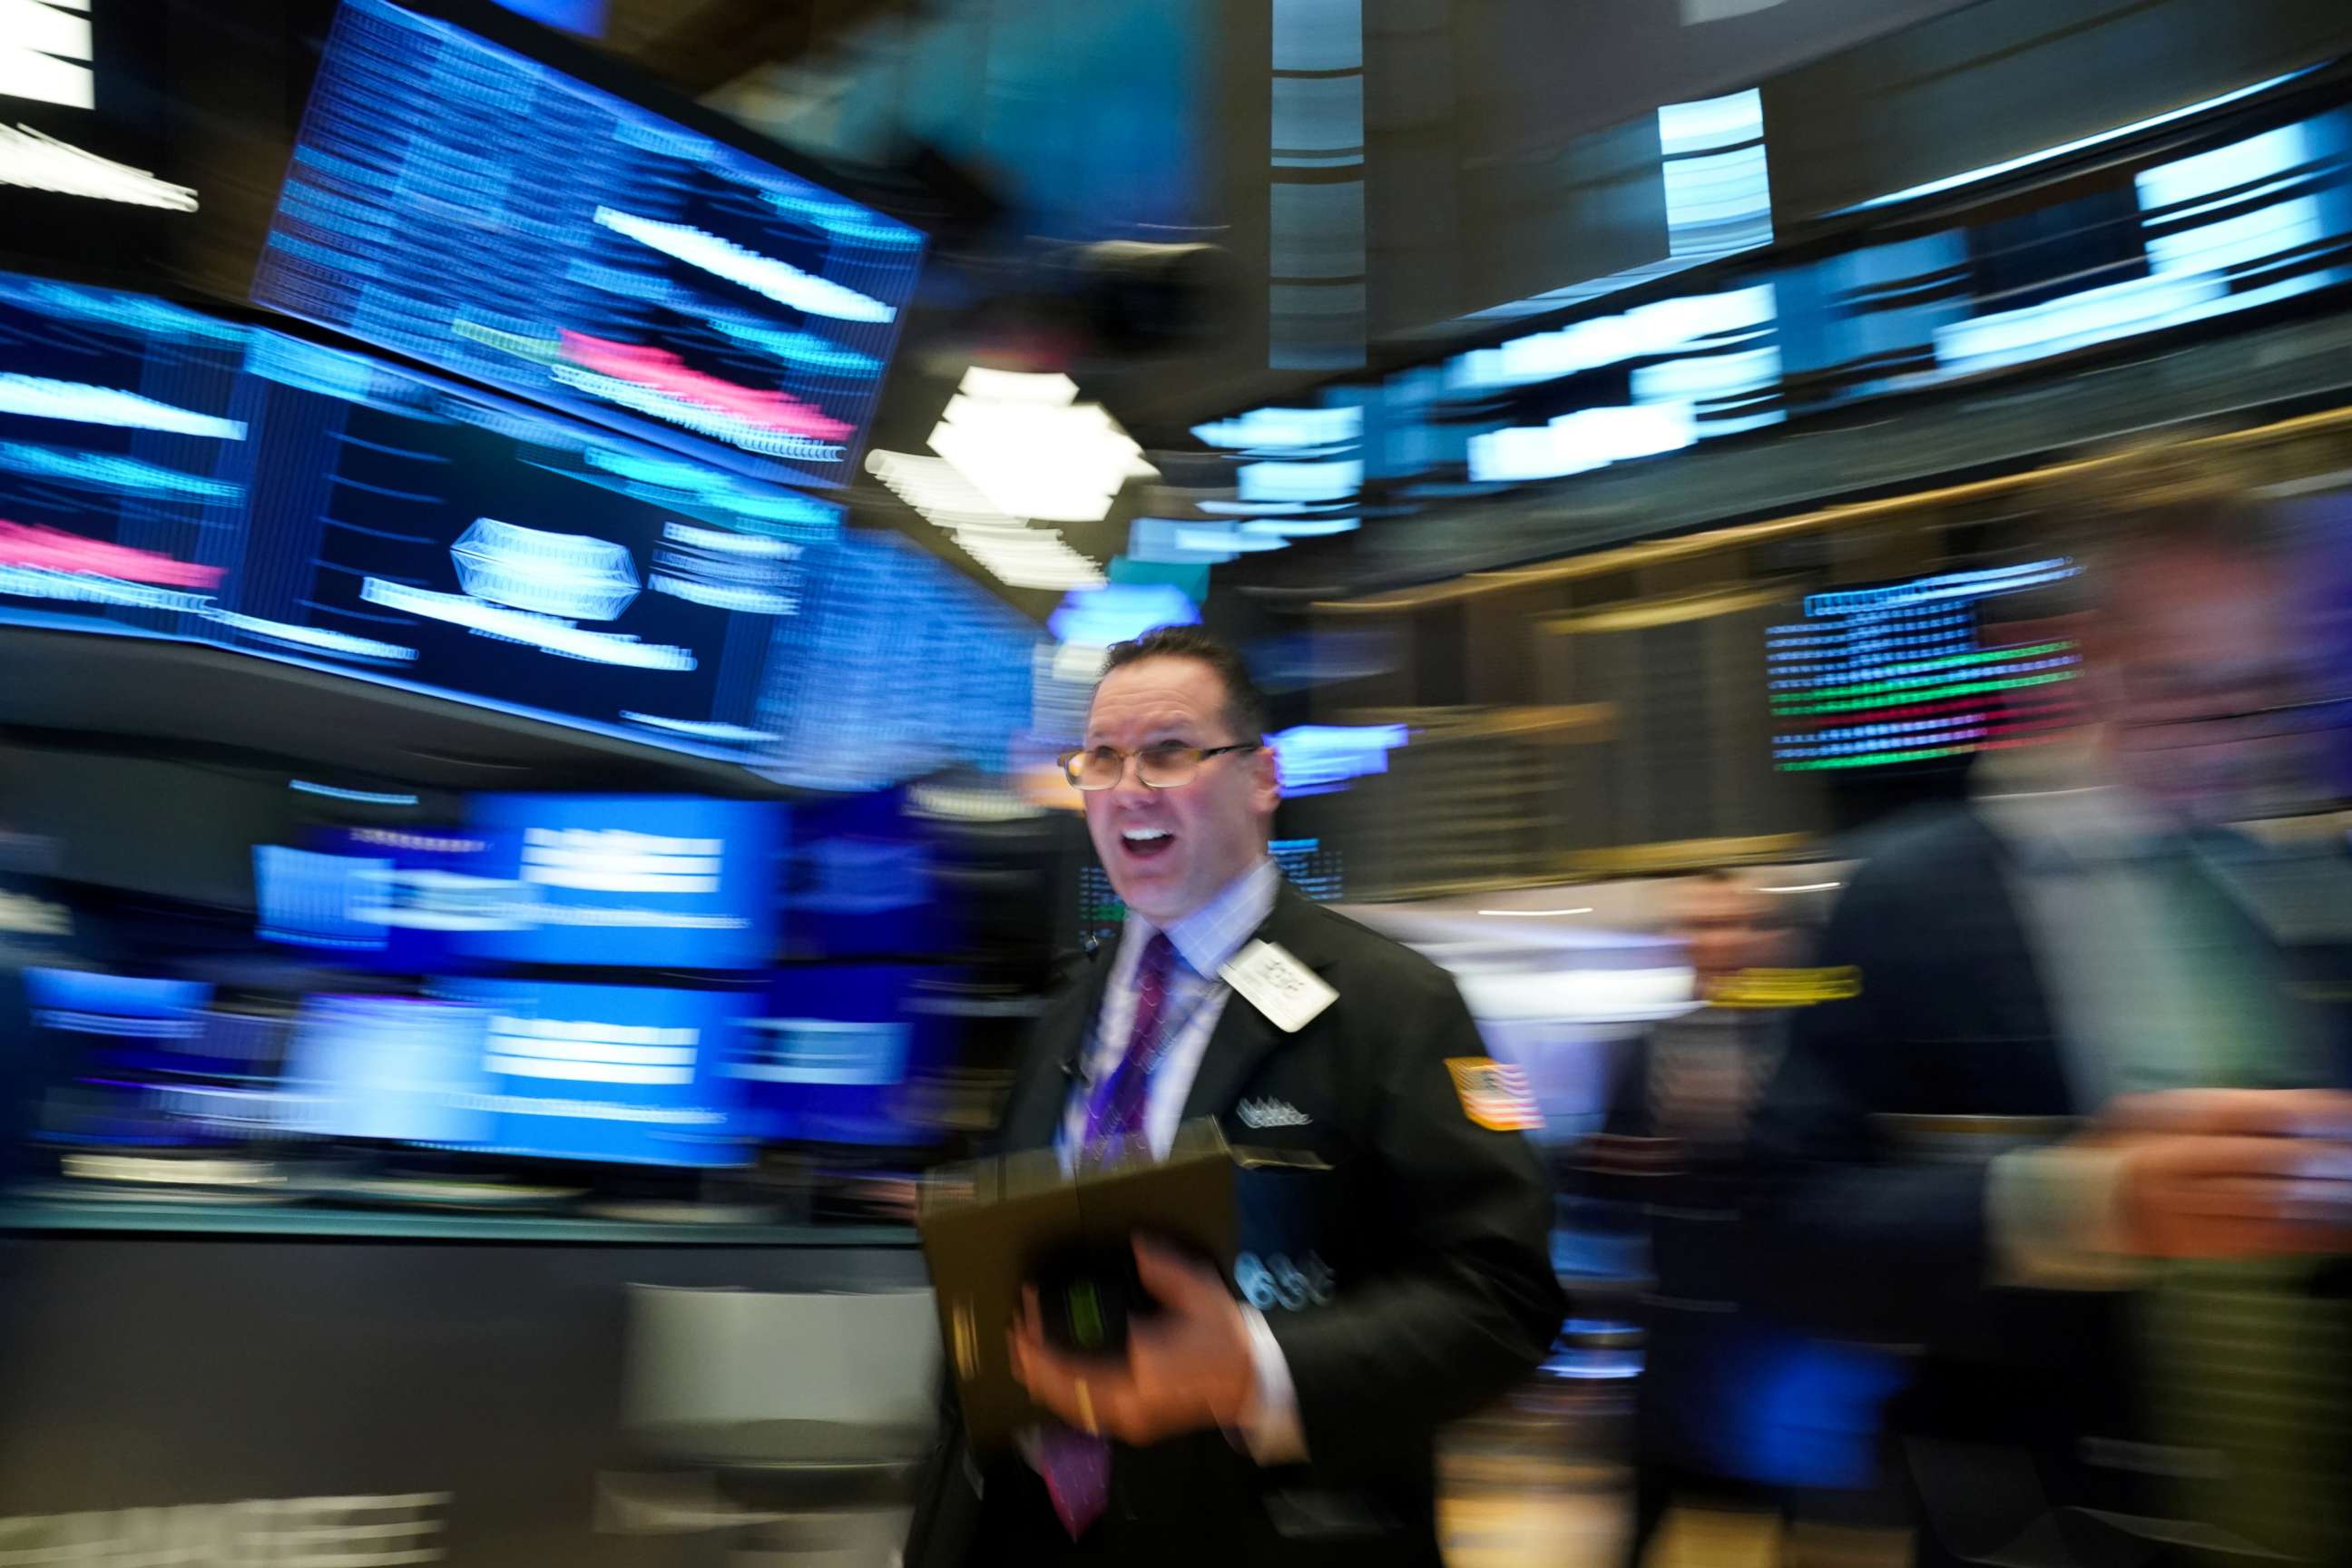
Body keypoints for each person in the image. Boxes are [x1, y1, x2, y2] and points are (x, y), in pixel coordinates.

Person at [1749, 446, 2352, 1568]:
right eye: (2191, 694)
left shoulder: (2304, 890)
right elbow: (1789, 1233)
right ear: (2091, 661)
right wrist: (2085, 1202)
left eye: (2265, 696)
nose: (2233, 742)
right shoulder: (1911, 898)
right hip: (2047, 1523)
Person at [905, 625, 1564, 1568]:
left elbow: (1503, 1299)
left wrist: (1257, 1367)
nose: (1129, 787)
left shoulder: (1392, 1006)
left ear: (1262, 778)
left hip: (1268, 1528)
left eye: (1169, 751)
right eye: (1102, 756)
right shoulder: (1061, 1017)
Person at [1583, 873, 1902, 1568]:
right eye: (1700, 925)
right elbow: (1605, 1173)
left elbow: (1853, 1169)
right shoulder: (1647, 1045)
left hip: (1787, 1332)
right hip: (1676, 1334)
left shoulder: (1818, 1044)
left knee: (1792, 1521)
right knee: (1646, 1517)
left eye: (1737, 924)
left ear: (1775, 938)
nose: (1718, 941)